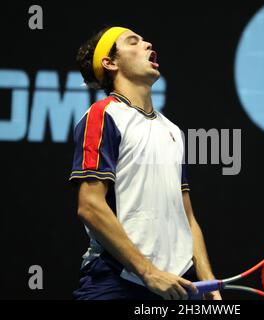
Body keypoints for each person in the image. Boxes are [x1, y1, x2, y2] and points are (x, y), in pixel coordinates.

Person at [69, 26, 222, 300]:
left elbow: (186, 217)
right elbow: (90, 206)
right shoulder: (103, 116)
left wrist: (208, 281)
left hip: (176, 285)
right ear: (110, 62)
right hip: (117, 282)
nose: (148, 44)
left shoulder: (172, 130)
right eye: (133, 42)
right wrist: (148, 272)